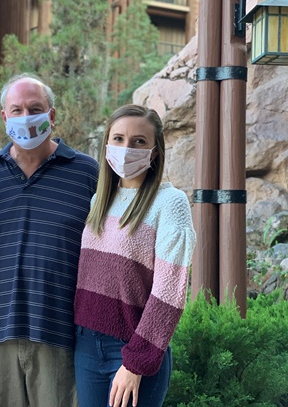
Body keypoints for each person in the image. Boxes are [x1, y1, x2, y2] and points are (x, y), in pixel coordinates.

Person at [0, 73, 99, 407]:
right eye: (17, 110)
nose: (26, 117)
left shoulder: (87, 173)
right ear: (4, 117)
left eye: (35, 108)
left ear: (52, 115)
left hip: (60, 329)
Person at [73, 104, 196, 407]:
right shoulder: (99, 201)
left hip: (133, 349)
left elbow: (169, 293)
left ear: (154, 152)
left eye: (139, 141)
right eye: (118, 139)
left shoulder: (170, 203)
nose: (127, 148)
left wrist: (135, 363)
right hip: (87, 345)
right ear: (106, 145)